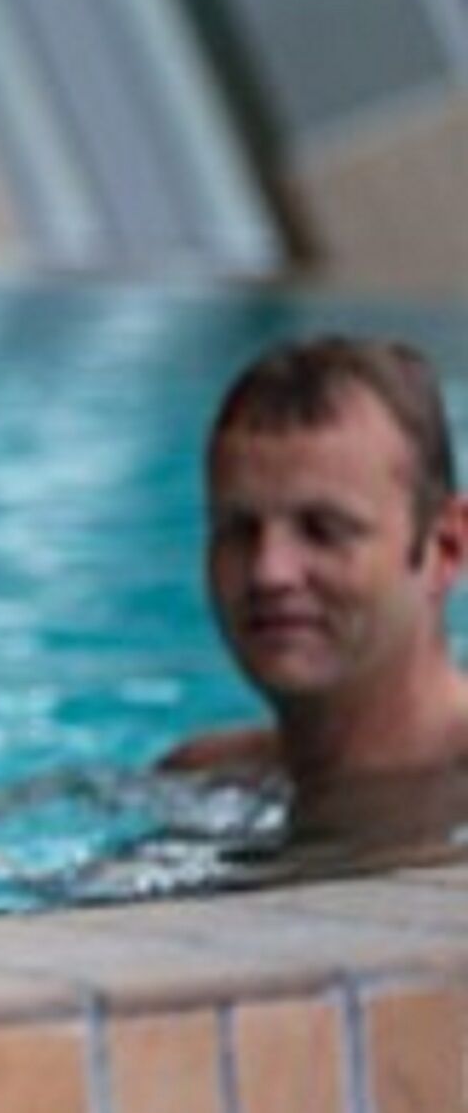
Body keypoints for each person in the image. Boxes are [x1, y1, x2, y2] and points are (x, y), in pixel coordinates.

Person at [157, 335, 468, 843]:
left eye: (323, 530)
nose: (269, 572)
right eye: (239, 530)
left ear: (445, 548)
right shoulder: (205, 782)